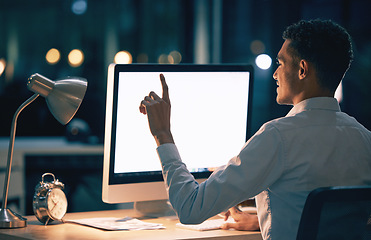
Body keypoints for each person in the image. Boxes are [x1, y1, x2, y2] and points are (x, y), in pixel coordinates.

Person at [139, 19, 371, 240]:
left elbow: (190, 208)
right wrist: (261, 220)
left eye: (280, 63)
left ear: (302, 69)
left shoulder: (278, 137)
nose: (274, 73)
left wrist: (162, 134)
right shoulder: (364, 139)